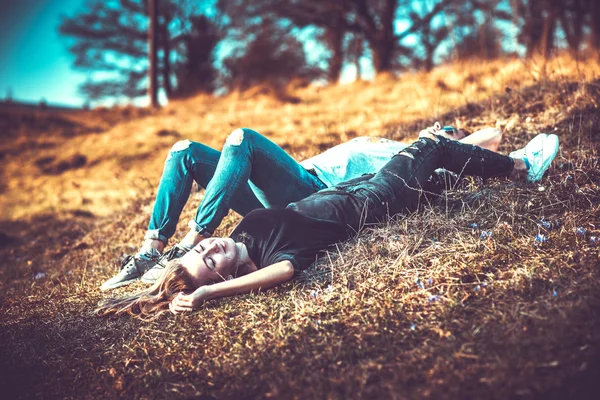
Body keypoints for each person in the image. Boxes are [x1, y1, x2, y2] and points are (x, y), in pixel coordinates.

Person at [96, 126, 559, 318]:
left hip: (349, 184)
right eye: (208, 256)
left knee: (433, 159)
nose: (212, 248)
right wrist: (203, 291)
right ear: (229, 274)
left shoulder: (246, 233)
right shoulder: (268, 255)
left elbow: (478, 137)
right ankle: (521, 167)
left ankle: (163, 256)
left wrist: (170, 285)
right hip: (350, 196)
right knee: (429, 145)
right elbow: (281, 273)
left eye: (203, 246)